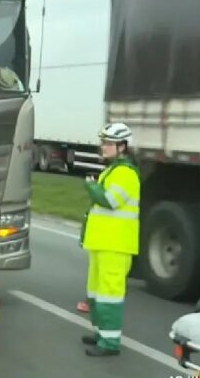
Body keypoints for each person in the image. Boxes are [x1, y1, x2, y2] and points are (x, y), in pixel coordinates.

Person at [81, 122, 140, 357]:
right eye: (103, 142)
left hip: (116, 245)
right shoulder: (112, 170)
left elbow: (109, 201)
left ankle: (110, 343)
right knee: (96, 292)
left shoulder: (126, 173)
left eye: (108, 143)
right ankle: (100, 334)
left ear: (123, 147)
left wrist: (92, 187)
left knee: (109, 294)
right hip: (102, 242)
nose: (103, 147)